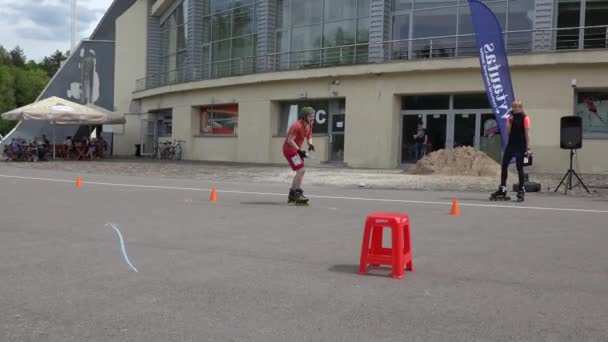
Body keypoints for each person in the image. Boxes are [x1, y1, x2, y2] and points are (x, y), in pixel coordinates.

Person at [491, 100, 531, 202]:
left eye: (517, 107)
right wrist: (510, 123)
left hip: (521, 145)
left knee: (519, 167)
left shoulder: (525, 118)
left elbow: (527, 134)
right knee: (504, 165)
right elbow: (507, 133)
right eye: (514, 107)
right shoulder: (510, 118)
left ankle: (521, 190)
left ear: (521, 108)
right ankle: (502, 189)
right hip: (511, 145)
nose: (515, 108)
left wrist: (528, 148)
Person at [283, 106, 315, 203]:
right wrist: (299, 151)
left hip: (297, 150)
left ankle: (293, 193)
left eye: (313, 116)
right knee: (301, 170)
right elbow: (289, 141)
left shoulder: (309, 125)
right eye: (310, 116)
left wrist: (310, 144)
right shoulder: (297, 126)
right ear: (304, 117)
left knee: (301, 171)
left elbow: (309, 136)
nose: (312, 118)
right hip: (290, 150)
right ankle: (296, 193)